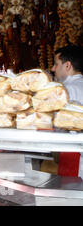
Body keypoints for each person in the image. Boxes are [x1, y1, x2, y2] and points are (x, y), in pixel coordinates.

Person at [51, 45, 83, 179]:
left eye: (56, 64)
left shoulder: (65, 90)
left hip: (74, 153)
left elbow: (56, 125)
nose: (53, 69)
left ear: (68, 66)